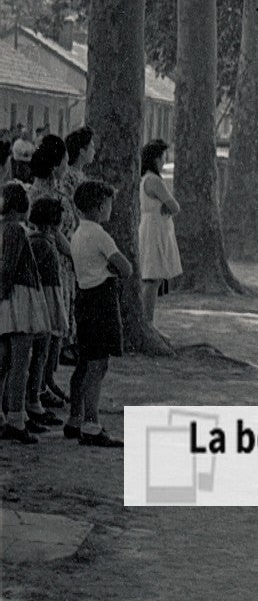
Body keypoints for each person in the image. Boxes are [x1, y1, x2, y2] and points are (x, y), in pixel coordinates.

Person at [67, 180, 130, 447]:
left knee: (85, 361)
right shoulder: (100, 235)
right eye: (109, 203)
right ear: (100, 205)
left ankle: (75, 418)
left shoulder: (78, 233)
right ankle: (92, 424)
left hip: (83, 296)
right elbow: (125, 268)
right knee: (98, 364)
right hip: (101, 300)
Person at [0, 183, 51, 443]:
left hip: (10, 299)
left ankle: (7, 416)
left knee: (6, 361)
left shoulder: (6, 229)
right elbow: (8, 267)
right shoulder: (15, 230)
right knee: (20, 362)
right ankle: (16, 419)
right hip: (17, 298)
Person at [28, 135, 78, 399]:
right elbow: (55, 233)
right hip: (53, 262)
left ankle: (48, 380)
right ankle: (41, 383)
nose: (67, 164)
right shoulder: (42, 194)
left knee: (58, 325)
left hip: (64, 264)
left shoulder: (56, 191)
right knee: (49, 325)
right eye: (65, 160)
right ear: (56, 163)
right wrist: (75, 254)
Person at [25, 198, 69, 431]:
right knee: (41, 352)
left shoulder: (39, 241)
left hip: (46, 298)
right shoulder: (42, 244)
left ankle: (37, 394)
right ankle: (34, 400)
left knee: (43, 352)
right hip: (45, 299)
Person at [138, 139, 182, 326]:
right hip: (155, 229)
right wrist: (166, 205)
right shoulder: (154, 181)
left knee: (152, 276)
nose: (165, 161)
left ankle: (148, 320)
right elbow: (174, 206)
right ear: (156, 159)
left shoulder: (144, 179)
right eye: (163, 157)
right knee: (152, 277)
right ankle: (148, 321)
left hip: (151, 226)